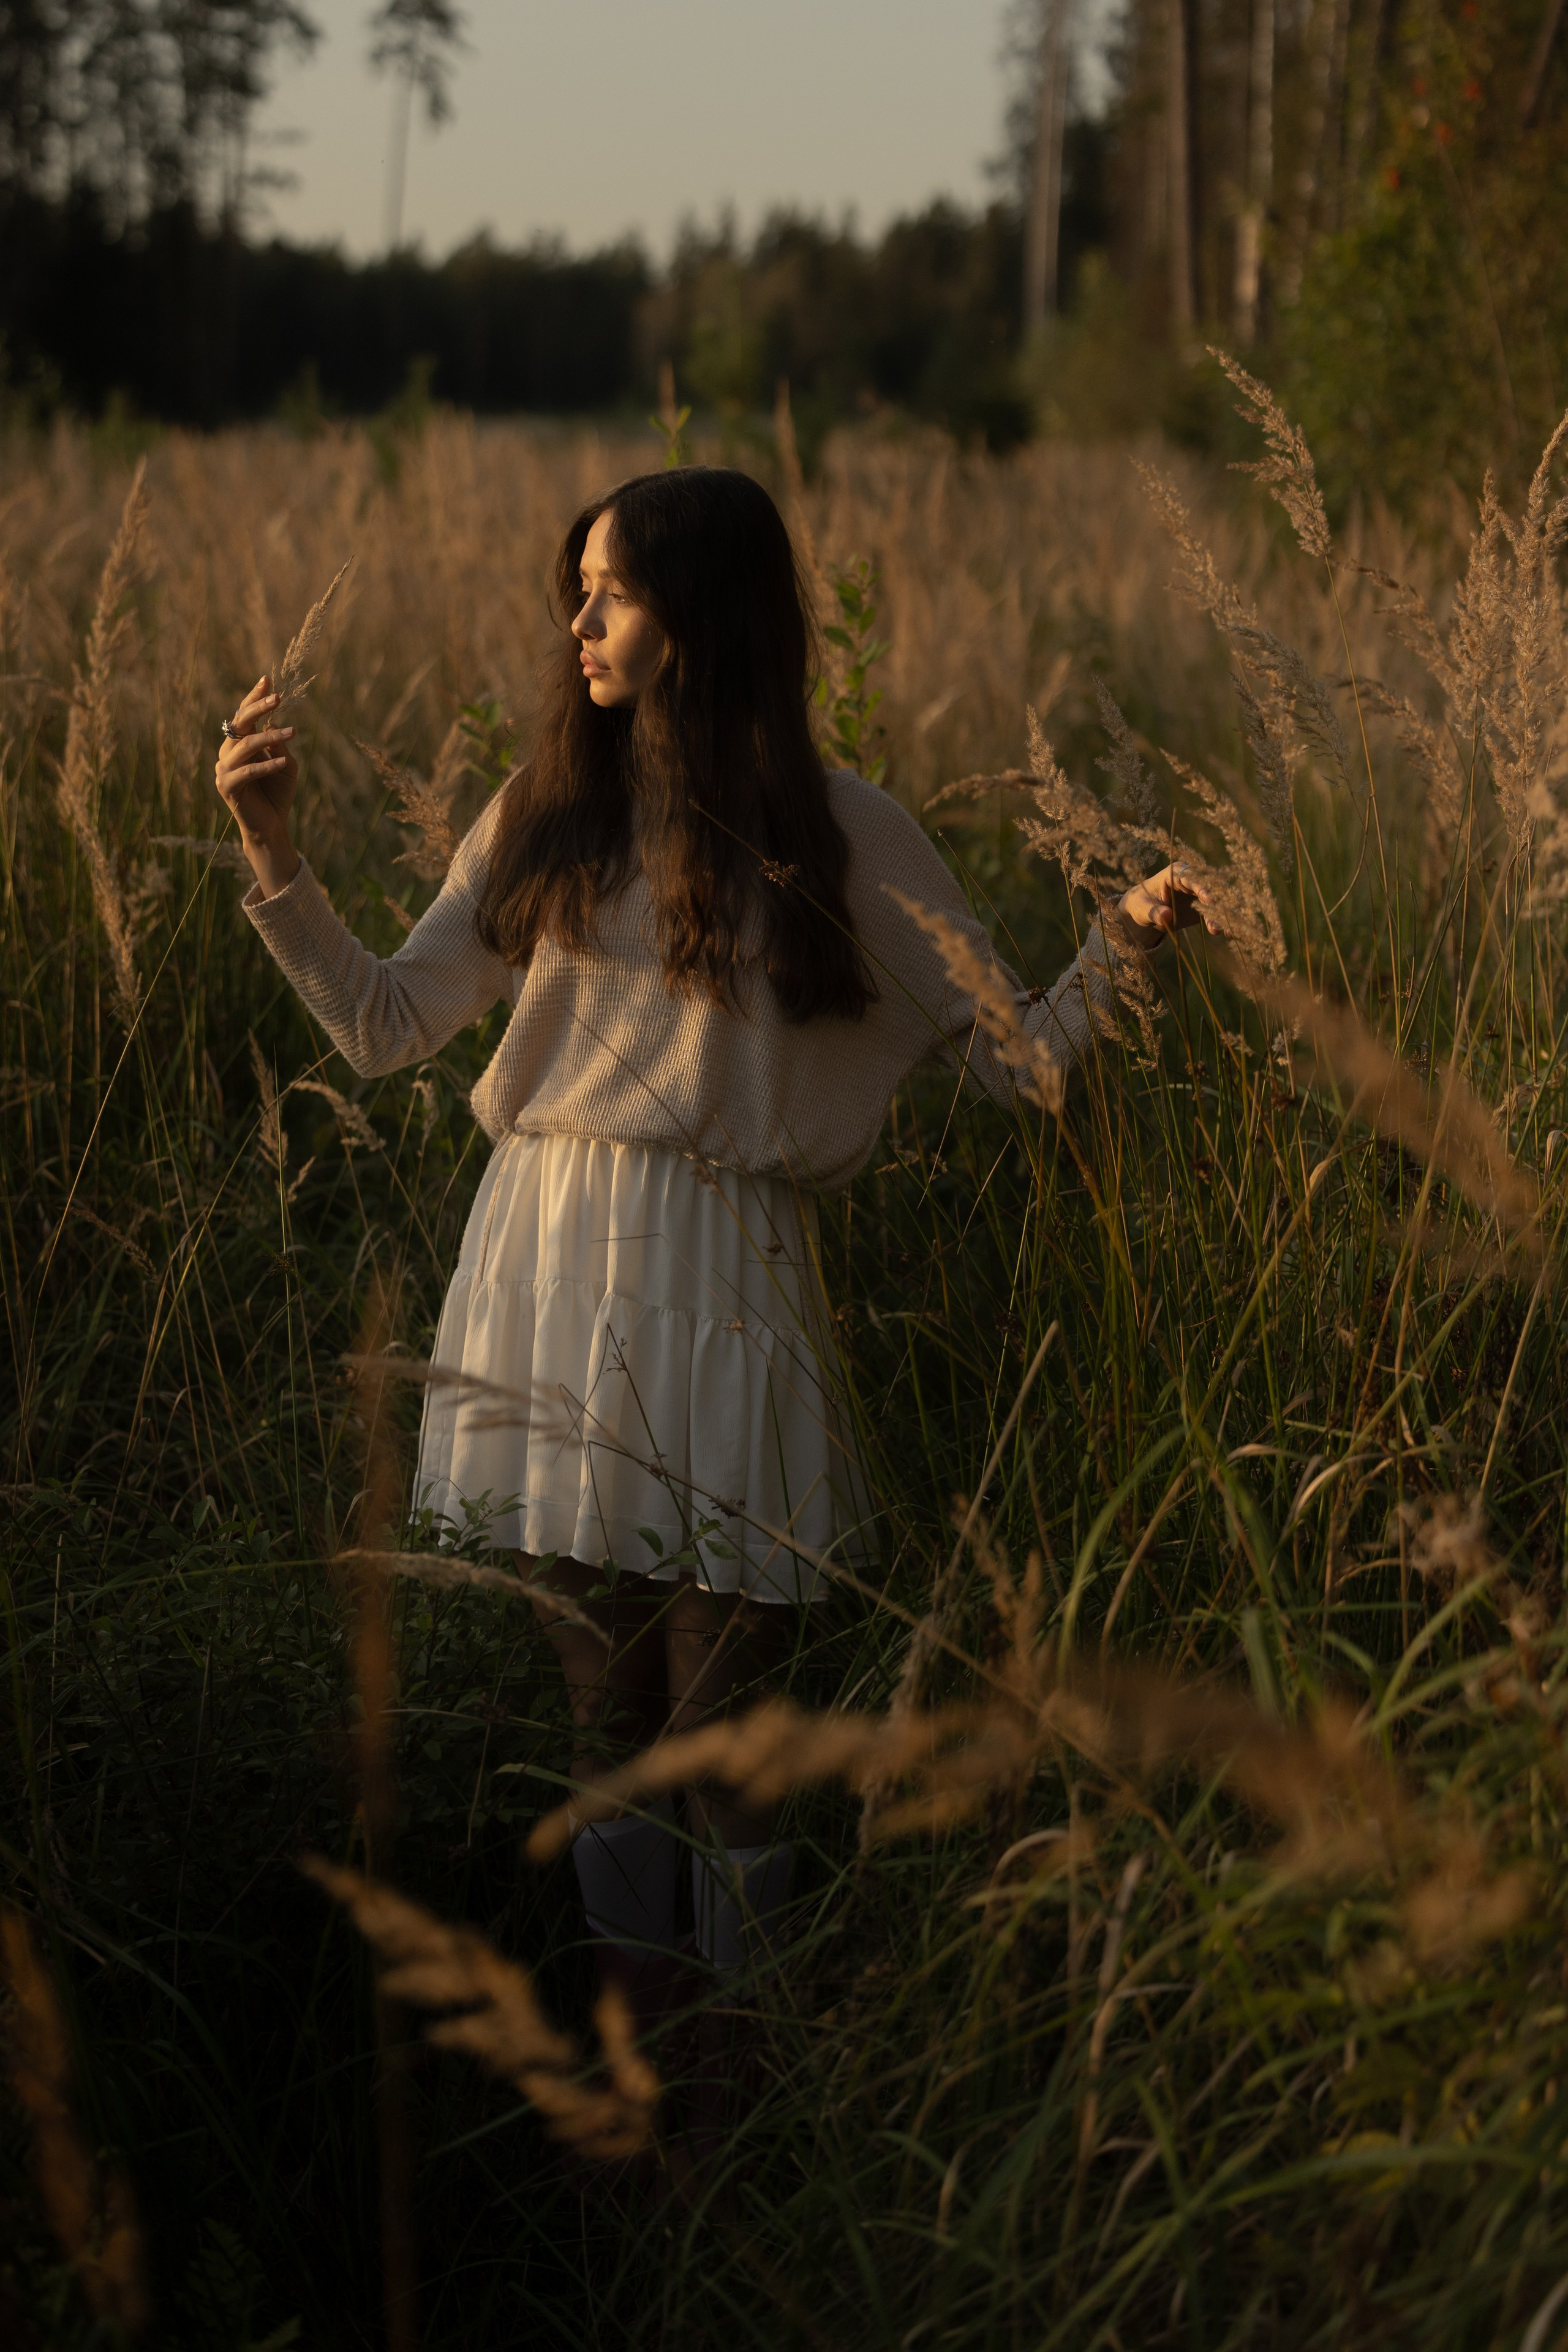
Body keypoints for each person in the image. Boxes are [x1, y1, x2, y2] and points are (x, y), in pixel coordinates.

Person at [216, 465, 1203, 2060]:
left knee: (725, 1724)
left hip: (728, 1272)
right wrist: (273, 850)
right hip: (548, 1264)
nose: (578, 621)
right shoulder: (547, 807)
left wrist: (1125, 940)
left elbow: (1014, 1064)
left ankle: (736, 2065)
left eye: (610, 590)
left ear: (705, 614)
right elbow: (389, 1025)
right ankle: (634, 2037)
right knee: (606, 1708)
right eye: (577, 590)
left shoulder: (843, 828)